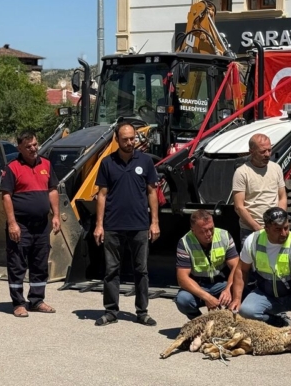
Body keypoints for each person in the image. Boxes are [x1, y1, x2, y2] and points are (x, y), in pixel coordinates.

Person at [230, 207, 291, 348]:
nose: (284, 233)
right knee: (246, 311)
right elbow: (241, 270)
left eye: (286, 228)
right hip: (267, 294)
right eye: (278, 229)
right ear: (267, 228)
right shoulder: (253, 241)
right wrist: (237, 299)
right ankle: (280, 323)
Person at [93, 122, 160, 327]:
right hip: (113, 225)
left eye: (133, 138)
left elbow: (152, 193)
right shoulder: (106, 163)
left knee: (141, 271)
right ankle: (111, 311)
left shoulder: (146, 161)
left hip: (139, 225)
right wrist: (99, 225)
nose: (130, 142)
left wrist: (154, 222)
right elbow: (102, 195)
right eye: (126, 139)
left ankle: (142, 312)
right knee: (112, 270)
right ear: (117, 140)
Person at [0, 130, 60, 317]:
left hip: (41, 225)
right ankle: (18, 303)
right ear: (20, 148)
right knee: (17, 264)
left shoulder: (47, 165)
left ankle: (37, 300)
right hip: (21, 225)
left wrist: (56, 215)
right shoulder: (12, 168)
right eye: (28, 147)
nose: (33, 149)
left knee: (39, 264)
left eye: (35, 144)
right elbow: (6, 196)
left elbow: (52, 190)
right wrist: (12, 223)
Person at [175, 210, 239, 319]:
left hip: (221, 283)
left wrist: (228, 289)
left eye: (211, 229)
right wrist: (207, 297)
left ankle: (229, 321)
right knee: (183, 300)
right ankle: (200, 323)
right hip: (199, 285)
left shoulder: (224, 235)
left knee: (242, 290)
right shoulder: (185, 243)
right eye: (203, 231)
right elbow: (182, 278)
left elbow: (236, 266)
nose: (209, 234)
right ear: (193, 230)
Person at [232, 133, 286, 244]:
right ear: (251, 151)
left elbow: (282, 197)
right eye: (262, 151)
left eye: (269, 150)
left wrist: (280, 221)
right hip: (251, 231)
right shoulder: (242, 172)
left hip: (275, 229)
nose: (267, 154)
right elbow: (239, 207)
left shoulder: (276, 168)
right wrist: (258, 228)